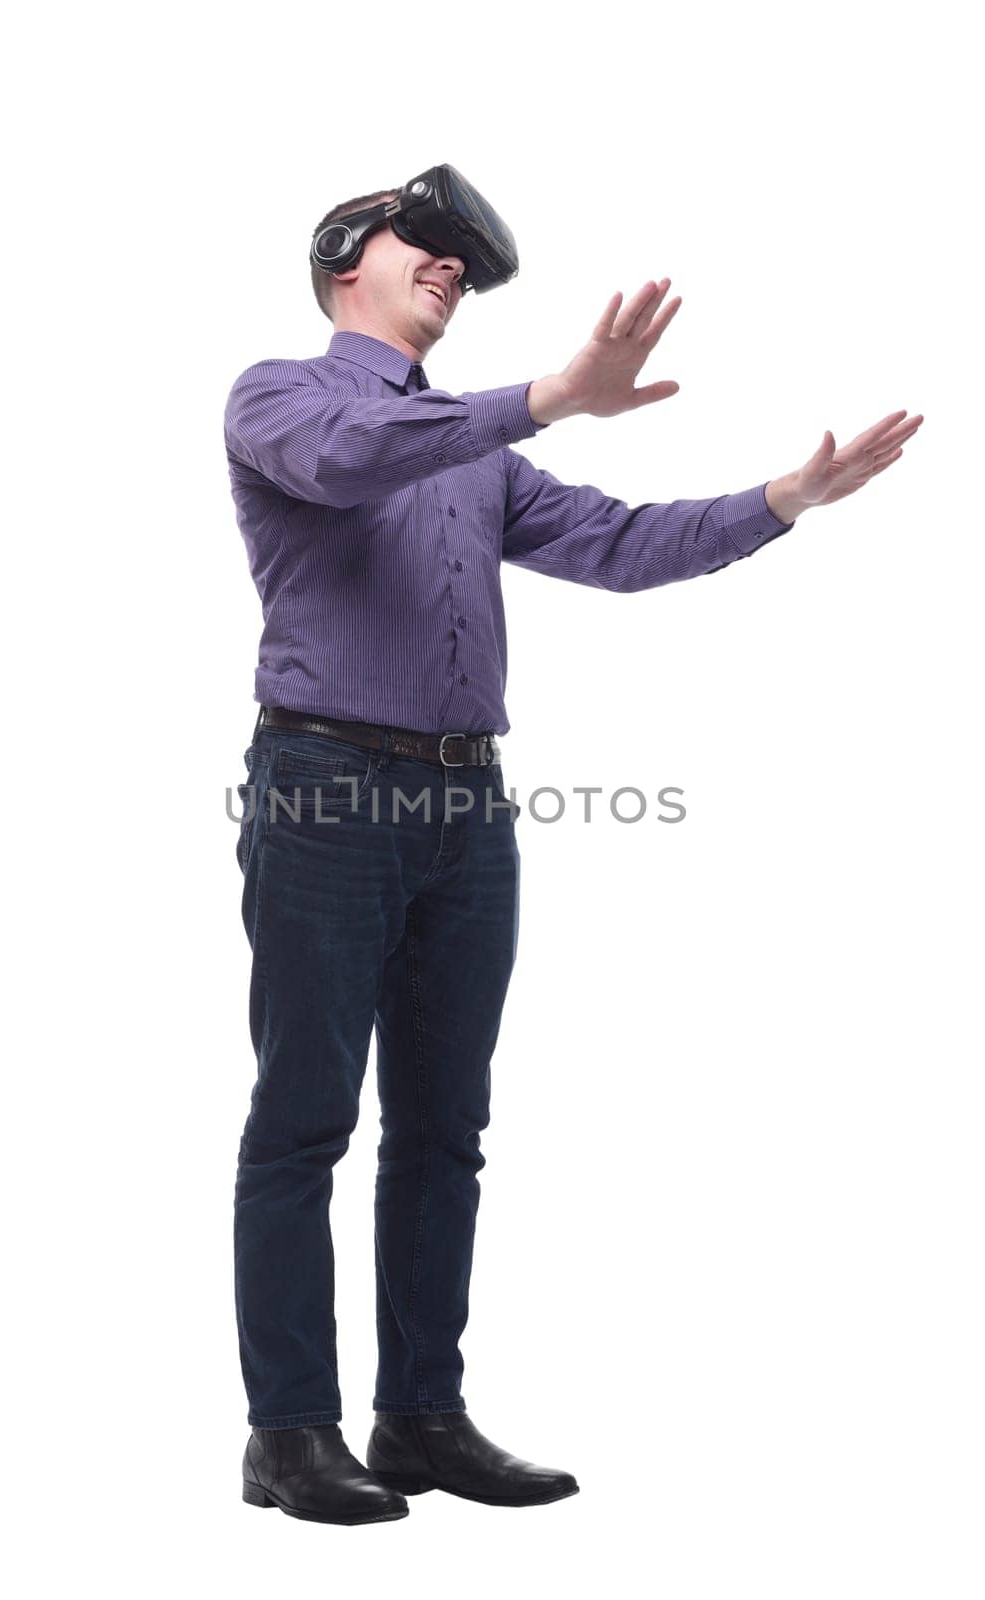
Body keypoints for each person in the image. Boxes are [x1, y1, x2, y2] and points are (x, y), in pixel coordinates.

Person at [223, 179, 923, 1526]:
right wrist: (542, 395)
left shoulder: (474, 449)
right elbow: (349, 464)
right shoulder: (279, 395)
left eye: (465, 265)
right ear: (340, 262)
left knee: (446, 1128)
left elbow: (615, 543)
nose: (450, 268)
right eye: (422, 245)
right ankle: (288, 1434)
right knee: (304, 1117)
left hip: (467, 809)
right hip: (324, 791)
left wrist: (785, 498)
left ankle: (421, 1415)